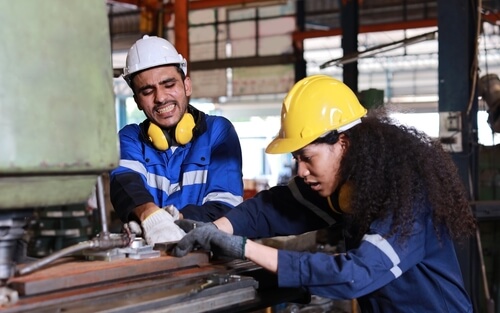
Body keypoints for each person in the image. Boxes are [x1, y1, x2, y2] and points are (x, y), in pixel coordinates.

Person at [171, 74, 477, 312]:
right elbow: (271, 208)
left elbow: (355, 274)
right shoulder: (348, 184)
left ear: (341, 144)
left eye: (307, 157)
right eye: (296, 160)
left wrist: (242, 248)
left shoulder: (407, 199)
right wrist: (214, 231)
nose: (301, 171)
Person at [110, 35, 244, 245]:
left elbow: (225, 206)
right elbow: (125, 183)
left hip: (207, 255)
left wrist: (175, 220)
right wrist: (150, 215)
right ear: (136, 100)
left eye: (168, 84)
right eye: (147, 91)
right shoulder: (130, 138)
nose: (161, 97)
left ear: (186, 85)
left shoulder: (218, 131)